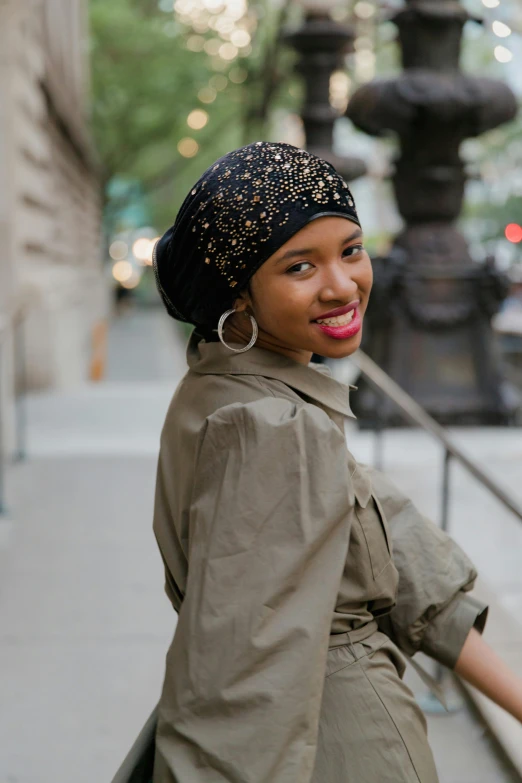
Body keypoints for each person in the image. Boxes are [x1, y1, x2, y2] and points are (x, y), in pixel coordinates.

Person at [148, 142, 522, 783]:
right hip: (344, 745)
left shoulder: (231, 387)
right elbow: (242, 678)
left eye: (351, 249)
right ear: (238, 295)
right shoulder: (274, 428)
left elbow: (406, 566)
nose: (343, 284)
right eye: (299, 267)